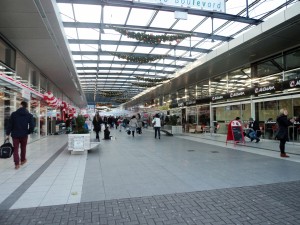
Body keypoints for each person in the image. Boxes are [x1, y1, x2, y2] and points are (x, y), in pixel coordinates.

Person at [5, 101, 34, 170]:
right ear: (26, 107)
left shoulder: (14, 114)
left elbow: (10, 125)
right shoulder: (29, 115)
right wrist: (29, 131)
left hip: (15, 135)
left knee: (15, 149)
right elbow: (32, 125)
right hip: (24, 134)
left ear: (21, 105)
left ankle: (17, 164)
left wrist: (7, 134)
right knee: (23, 148)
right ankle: (23, 160)